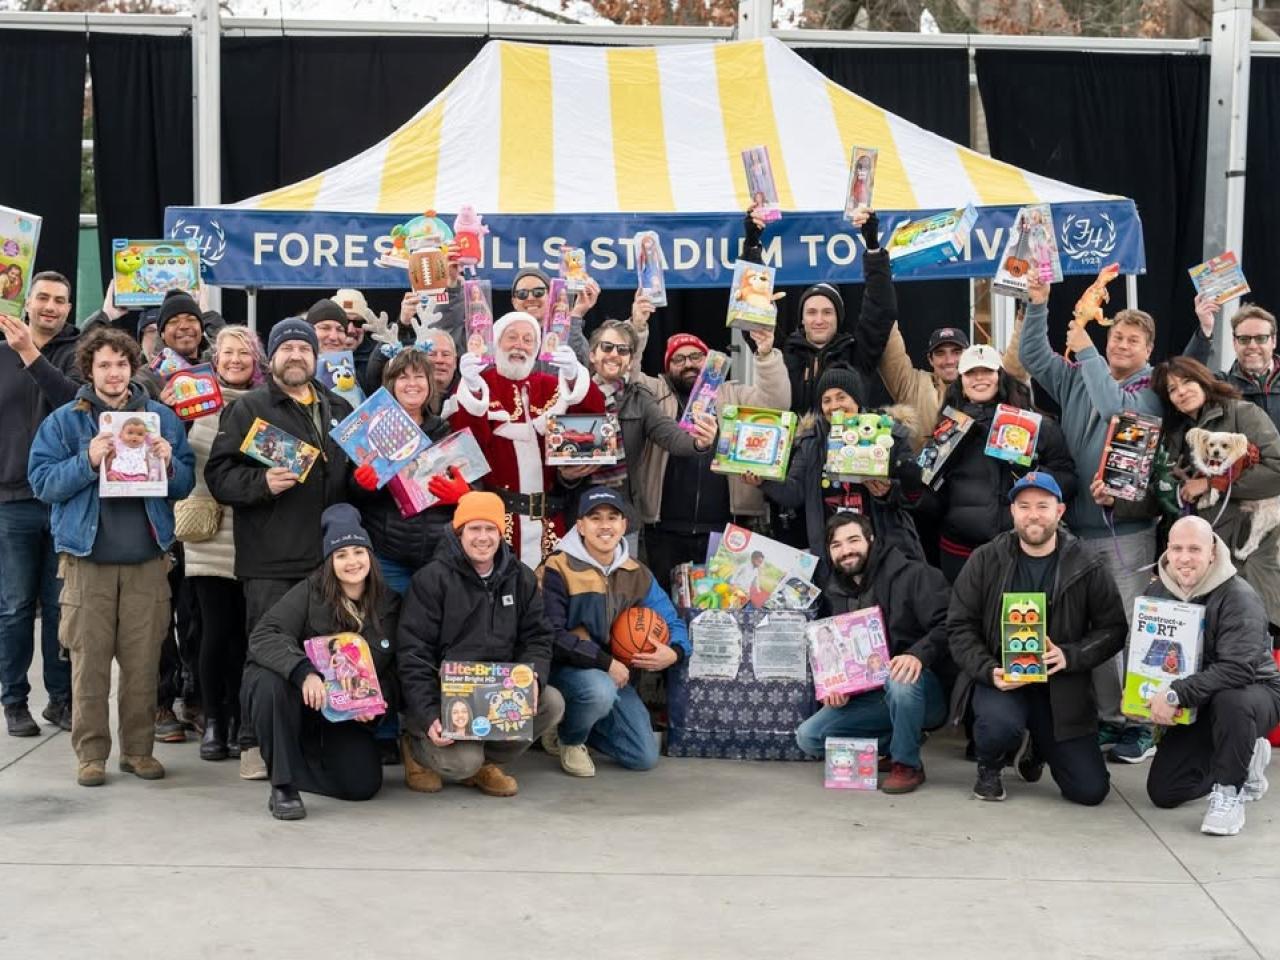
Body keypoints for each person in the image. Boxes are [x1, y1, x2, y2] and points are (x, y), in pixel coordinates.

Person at [28, 327, 195, 787]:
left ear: (132, 367)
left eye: (121, 363)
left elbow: (184, 486)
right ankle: (92, 755)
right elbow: (41, 483)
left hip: (146, 561)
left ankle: (138, 752)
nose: (114, 372)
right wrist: (87, 460)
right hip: (87, 563)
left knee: (143, 665)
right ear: (89, 370)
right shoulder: (66, 421)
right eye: (104, 364)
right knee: (89, 666)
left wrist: (170, 461)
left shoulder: (160, 417)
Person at [1018, 275, 1162, 762]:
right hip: (1077, 531)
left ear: (1148, 350)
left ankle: (1140, 726)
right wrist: (1038, 306)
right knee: (1095, 633)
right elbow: (1034, 358)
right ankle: (1109, 719)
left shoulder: (1149, 391)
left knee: (1133, 632)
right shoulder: (1081, 372)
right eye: (1116, 336)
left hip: (1129, 535)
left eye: (1133, 340)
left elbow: (1112, 409)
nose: (1122, 344)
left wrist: (1087, 352)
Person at [204, 317, 355, 778]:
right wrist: (262, 482)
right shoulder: (250, 407)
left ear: (316, 357)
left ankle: (310, 740)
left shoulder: (339, 407)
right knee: (266, 651)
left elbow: (350, 478)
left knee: (323, 654)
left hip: (325, 561)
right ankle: (254, 740)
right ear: (272, 357)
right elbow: (218, 476)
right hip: (270, 559)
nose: (296, 355)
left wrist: (365, 481)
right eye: (286, 347)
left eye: (303, 348)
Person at [948, 472, 1127, 805]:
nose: (1033, 514)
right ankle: (990, 766)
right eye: (1024, 506)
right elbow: (959, 627)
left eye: (1043, 506)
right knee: (999, 725)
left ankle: (1039, 745)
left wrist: (1070, 655)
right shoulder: (986, 559)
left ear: (1059, 512)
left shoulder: (1087, 562)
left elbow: (1114, 630)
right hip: (1003, 679)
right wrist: (989, 671)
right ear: (1012, 512)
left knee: (1089, 792)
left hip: (1060, 687)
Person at [397, 491, 564, 797]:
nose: (483, 537)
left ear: (501, 534)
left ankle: (487, 763)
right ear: (459, 532)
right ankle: (414, 746)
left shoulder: (520, 578)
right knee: (462, 763)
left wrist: (535, 676)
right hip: (446, 696)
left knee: (551, 702)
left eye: (491, 529)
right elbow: (413, 653)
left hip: (498, 693)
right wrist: (428, 714)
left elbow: (538, 637)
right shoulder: (431, 579)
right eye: (474, 528)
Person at [242, 504, 399, 820]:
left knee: (362, 786)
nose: (352, 562)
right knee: (267, 680)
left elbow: (399, 669)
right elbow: (265, 635)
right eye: (341, 555)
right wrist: (304, 673)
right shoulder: (310, 592)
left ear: (370, 555)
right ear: (330, 562)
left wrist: (377, 702)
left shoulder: (391, 603)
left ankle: (293, 760)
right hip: (300, 698)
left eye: (358, 551)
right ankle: (283, 784)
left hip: (344, 712)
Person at [625, 325, 791, 591]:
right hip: (664, 531)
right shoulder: (654, 393)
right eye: (678, 359)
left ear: (709, 359)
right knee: (666, 611)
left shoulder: (732, 394)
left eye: (696, 357)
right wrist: (640, 329)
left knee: (721, 616)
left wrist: (766, 355)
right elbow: (628, 374)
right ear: (668, 367)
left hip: (727, 531)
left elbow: (777, 403)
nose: (688, 364)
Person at [1143, 516, 1280, 836]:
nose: (1185, 557)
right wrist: (1143, 693)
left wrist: (1176, 693)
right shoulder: (1160, 591)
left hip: (1254, 691)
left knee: (1232, 701)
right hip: (1200, 697)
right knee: (1164, 792)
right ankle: (1241, 760)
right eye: (1177, 548)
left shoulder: (1238, 596)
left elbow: (1238, 669)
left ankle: (1230, 792)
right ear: (1167, 551)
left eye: (1194, 548)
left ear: (1213, 553)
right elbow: (1148, 652)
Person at [794, 514, 951, 793]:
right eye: (836, 545)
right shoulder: (835, 592)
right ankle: (902, 738)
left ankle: (907, 763)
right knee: (809, 737)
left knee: (899, 678)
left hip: (924, 690)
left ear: (871, 541)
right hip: (873, 695)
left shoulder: (914, 575)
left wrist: (917, 655)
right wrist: (839, 689)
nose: (846, 551)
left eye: (853, 540)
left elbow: (951, 624)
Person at [538, 487, 688, 776]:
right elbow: (550, 635)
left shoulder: (637, 573)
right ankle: (569, 739)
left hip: (614, 676)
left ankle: (576, 720)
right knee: (599, 690)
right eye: (595, 518)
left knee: (642, 755)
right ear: (580, 526)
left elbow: (671, 621)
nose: (604, 525)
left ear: (624, 525)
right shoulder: (557, 567)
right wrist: (604, 662)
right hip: (565, 669)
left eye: (612, 517)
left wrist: (675, 651)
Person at [450, 311, 602, 568]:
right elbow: (468, 445)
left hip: (551, 521)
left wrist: (575, 377)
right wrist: (472, 390)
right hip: (499, 522)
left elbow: (591, 423)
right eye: (512, 337)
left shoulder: (553, 386)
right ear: (496, 342)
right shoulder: (481, 385)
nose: (520, 344)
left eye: (528, 339)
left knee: (550, 595)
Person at [179, 325, 265, 761]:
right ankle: (214, 720)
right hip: (209, 536)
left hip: (256, 536)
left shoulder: (267, 406)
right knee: (213, 633)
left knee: (247, 637)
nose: (235, 360)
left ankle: (240, 718)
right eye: (227, 353)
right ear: (215, 360)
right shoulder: (196, 405)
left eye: (244, 353)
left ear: (256, 361)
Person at [922, 344, 1077, 583]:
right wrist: (924, 479)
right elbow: (930, 497)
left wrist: (1031, 471)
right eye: (972, 373)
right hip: (959, 551)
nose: (980, 378)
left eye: (987, 371)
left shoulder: (1036, 425)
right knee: (964, 619)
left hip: (1018, 548)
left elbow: (1068, 481)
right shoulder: (947, 427)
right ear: (961, 381)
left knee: (1020, 618)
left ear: (1000, 376)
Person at [0, 272, 79, 736]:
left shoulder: (75, 355)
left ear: (69, 309)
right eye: (43, 298)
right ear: (25, 302)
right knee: (12, 606)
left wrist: (30, 352)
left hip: (64, 499)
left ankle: (61, 699)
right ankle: (14, 700)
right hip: (11, 500)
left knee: (60, 608)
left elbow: (72, 401)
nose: (51, 306)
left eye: (60, 301)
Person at [1151, 356, 1280, 631]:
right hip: (1201, 563)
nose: (1181, 391)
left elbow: (1276, 471)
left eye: (1187, 382)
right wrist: (1113, 501)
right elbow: (1166, 496)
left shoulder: (1241, 413)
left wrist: (1212, 483)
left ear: (1203, 379)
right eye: (1172, 389)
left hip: (1247, 553)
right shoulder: (1176, 435)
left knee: (1249, 648)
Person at [760, 364, 924, 573]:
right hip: (836, 557)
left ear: (856, 399)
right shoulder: (811, 442)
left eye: (841, 397)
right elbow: (794, 494)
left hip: (886, 552)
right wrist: (763, 480)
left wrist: (888, 492)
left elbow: (914, 495)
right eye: (826, 400)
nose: (834, 406)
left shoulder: (887, 434)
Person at [582, 319, 716, 550]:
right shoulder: (573, 393)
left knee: (623, 585)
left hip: (623, 517)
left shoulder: (640, 398)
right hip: (580, 514)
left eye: (623, 350)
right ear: (592, 355)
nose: (614, 354)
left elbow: (672, 436)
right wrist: (568, 475)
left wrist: (699, 442)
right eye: (607, 347)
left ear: (630, 361)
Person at [742, 208, 876, 416]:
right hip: (795, 447)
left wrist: (873, 249)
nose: (819, 320)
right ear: (802, 319)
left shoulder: (858, 353)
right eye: (812, 312)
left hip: (846, 446)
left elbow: (879, 309)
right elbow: (752, 310)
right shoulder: (782, 350)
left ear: (838, 318)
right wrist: (751, 245)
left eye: (827, 312)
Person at [353, 339, 460, 595]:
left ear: (429, 384)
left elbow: (472, 484)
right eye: (403, 377)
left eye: (419, 376)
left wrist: (463, 494)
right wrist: (361, 484)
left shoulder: (444, 431)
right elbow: (351, 493)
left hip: (437, 556)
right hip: (389, 556)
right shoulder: (371, 430)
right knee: (389, 623)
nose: (412, 384)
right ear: (391, 385)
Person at [1184, 300, 1280, 435]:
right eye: (1244, 339)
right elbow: (1184, 376)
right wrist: (1205, 328)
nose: (1252, 345)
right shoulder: (1222, 386)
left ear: (1273, 341)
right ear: (1234, 343)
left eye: (1261, 338)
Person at [509, 267, 591, 370]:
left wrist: (576, 316)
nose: (530, 298)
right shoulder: (503, 338)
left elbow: (579, 368)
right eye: (522, 294)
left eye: (538, 292)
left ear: (550, 296)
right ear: (514, 302)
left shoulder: (571, 333)